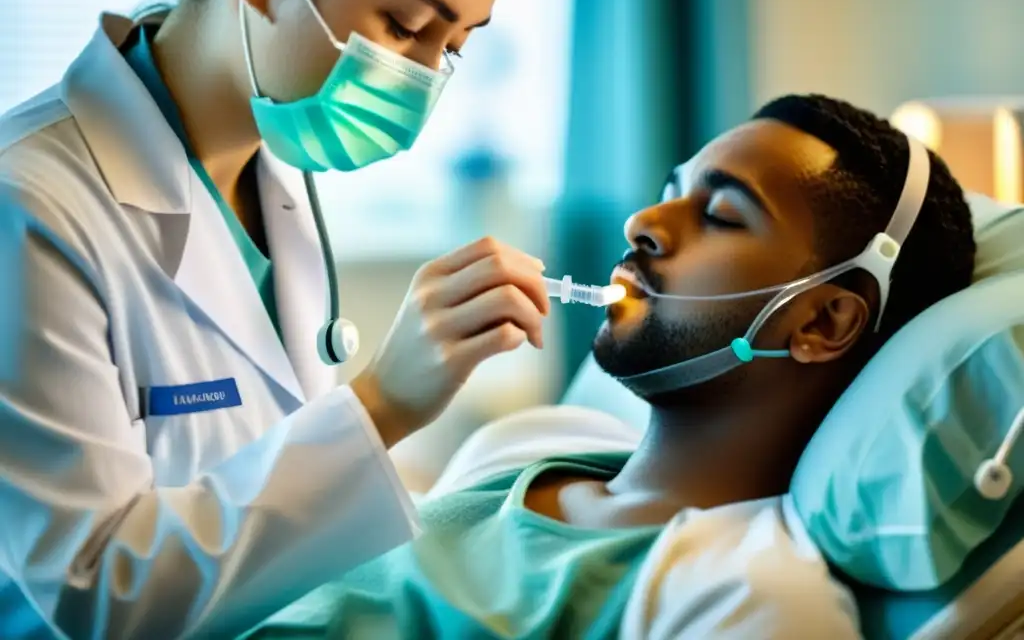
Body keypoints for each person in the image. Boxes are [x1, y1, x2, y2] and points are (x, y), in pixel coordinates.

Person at [0, 0, 553, 638]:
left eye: (452, 46)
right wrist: (382, 404)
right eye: (404, 25)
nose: (423, 81)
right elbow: (100, 595)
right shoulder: (27, 205)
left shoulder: (280, 178)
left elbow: (258, 484)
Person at [244, 94, 977, 639]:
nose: (643, 224)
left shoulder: (741, 594)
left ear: (821, 321)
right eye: (669, 193)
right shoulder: (526, 444)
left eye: (720, 214)